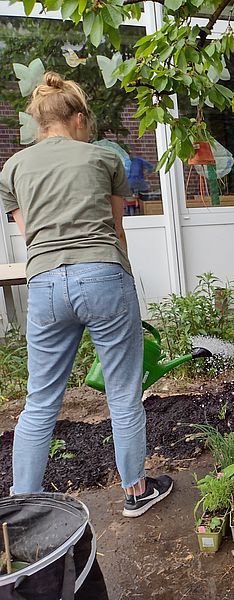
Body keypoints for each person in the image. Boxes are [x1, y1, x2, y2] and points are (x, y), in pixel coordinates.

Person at [0, 72, 172, 517]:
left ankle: (22, 511)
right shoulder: (102, 158)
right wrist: (122, 283)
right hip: (102, 274)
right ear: (77, 118)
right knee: (122, 392)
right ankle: (135, 493)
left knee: (39, 400)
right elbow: (117, 231)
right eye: (88, 122)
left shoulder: (14, 167)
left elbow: (28, 233)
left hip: (44, 283)